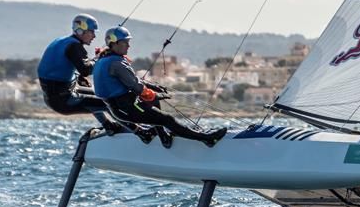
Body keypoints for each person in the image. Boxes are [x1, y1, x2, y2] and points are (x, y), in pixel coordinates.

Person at [93, 26, 227, 148]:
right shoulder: (116, 64)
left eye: (129, 42)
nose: (129, 45)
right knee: (167, 119)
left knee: (153, 103)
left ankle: (164, 137)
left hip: (122, 108)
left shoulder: (104, 59)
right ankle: (206, 139)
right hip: (127, 109)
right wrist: (157, 94)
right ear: (114, 43)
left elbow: (132, 80)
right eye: (125, 42)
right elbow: (137, 88)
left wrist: (154, 87)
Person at [37, 14, 143, 137]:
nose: (94, 36)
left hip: (58, 96)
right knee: (110, 103)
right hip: (64, 100)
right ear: (81, 30)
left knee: (97, 94)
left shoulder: (63, 41)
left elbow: (60, 67)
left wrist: (80, 76)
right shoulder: (74, 46)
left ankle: (109, 126)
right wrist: (101, 58)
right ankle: (139, 132)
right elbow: (86, 70)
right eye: (91, 32)